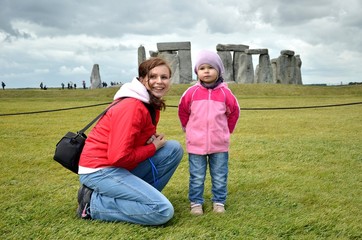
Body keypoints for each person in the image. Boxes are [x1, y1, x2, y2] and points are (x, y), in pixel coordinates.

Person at [77, 57, 184, 225]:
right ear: (142, 79)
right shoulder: (132, 106)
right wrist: (153, 147)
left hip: (115, 166)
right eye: (153, 77)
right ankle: (92, 203)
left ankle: (138, 201)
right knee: (162, 211)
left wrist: (149, 142)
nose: (159, 82)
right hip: (98, 170)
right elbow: (118, 157)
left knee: (173, 149)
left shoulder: (148, 103)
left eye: (164, 77)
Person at [178, 50, 240, 215]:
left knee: (219, 175)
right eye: (202, 68)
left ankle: (219, 201)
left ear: (219, 71)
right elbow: (183, 111)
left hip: (219, 143)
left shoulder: (226, 93)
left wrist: (228, 129)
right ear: (197, 71)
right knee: (197, 176)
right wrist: (187, 128)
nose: (206, 71)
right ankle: (196, 203)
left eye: (211, 67)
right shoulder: (191, 93)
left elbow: (234, 112)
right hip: (196, 143)